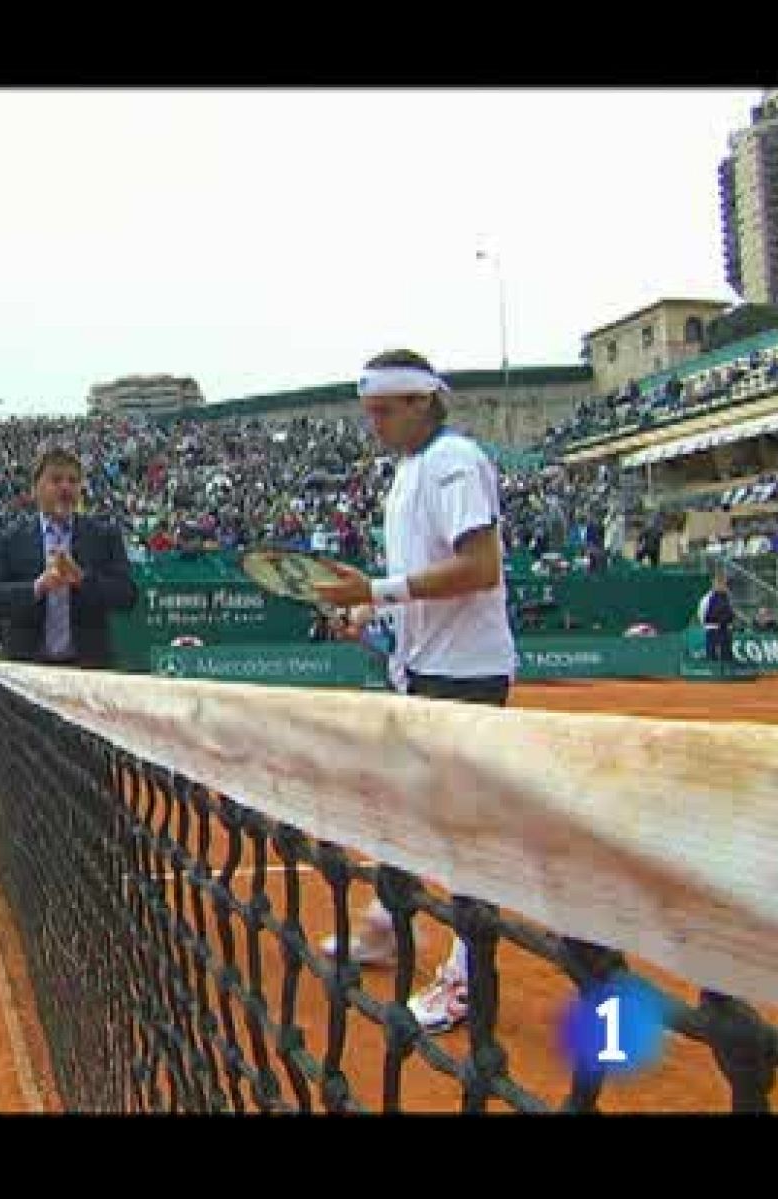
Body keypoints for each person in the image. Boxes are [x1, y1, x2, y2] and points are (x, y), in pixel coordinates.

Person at [310, 348, 517, 1036]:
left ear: (422, 402)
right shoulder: (408, 475)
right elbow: (419, 583)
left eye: (384, 411)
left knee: (460, 830)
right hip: (425, 670)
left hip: (468, 675)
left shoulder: (455, 460)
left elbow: (479, 567)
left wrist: (376, 590)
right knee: (403, 805)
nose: (374, 424)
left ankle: (465, 978)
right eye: (369, 411)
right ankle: (389, 924)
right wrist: (369, 614)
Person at [0, 447, 138, 668]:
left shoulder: (104, 535)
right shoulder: (7, 538)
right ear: (35, 489)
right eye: (56, 480)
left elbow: (127, 596)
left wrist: (82, 579)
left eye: (73, 481)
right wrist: (38, 586)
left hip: (89, 670)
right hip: (27, 670)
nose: (65, 487)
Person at [698, 572, 736, 668]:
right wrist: (707, 626)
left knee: (726, 654)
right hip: (712, 629)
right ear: (714, 584)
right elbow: (701, 613)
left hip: (726, 630)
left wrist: (729, 625)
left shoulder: (728, 597)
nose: (721, 585)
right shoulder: (707, 598)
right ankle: (712, 673)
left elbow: (731, 611)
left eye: (723, 583)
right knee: (711, 653)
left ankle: (728, 672)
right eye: (718, 583)